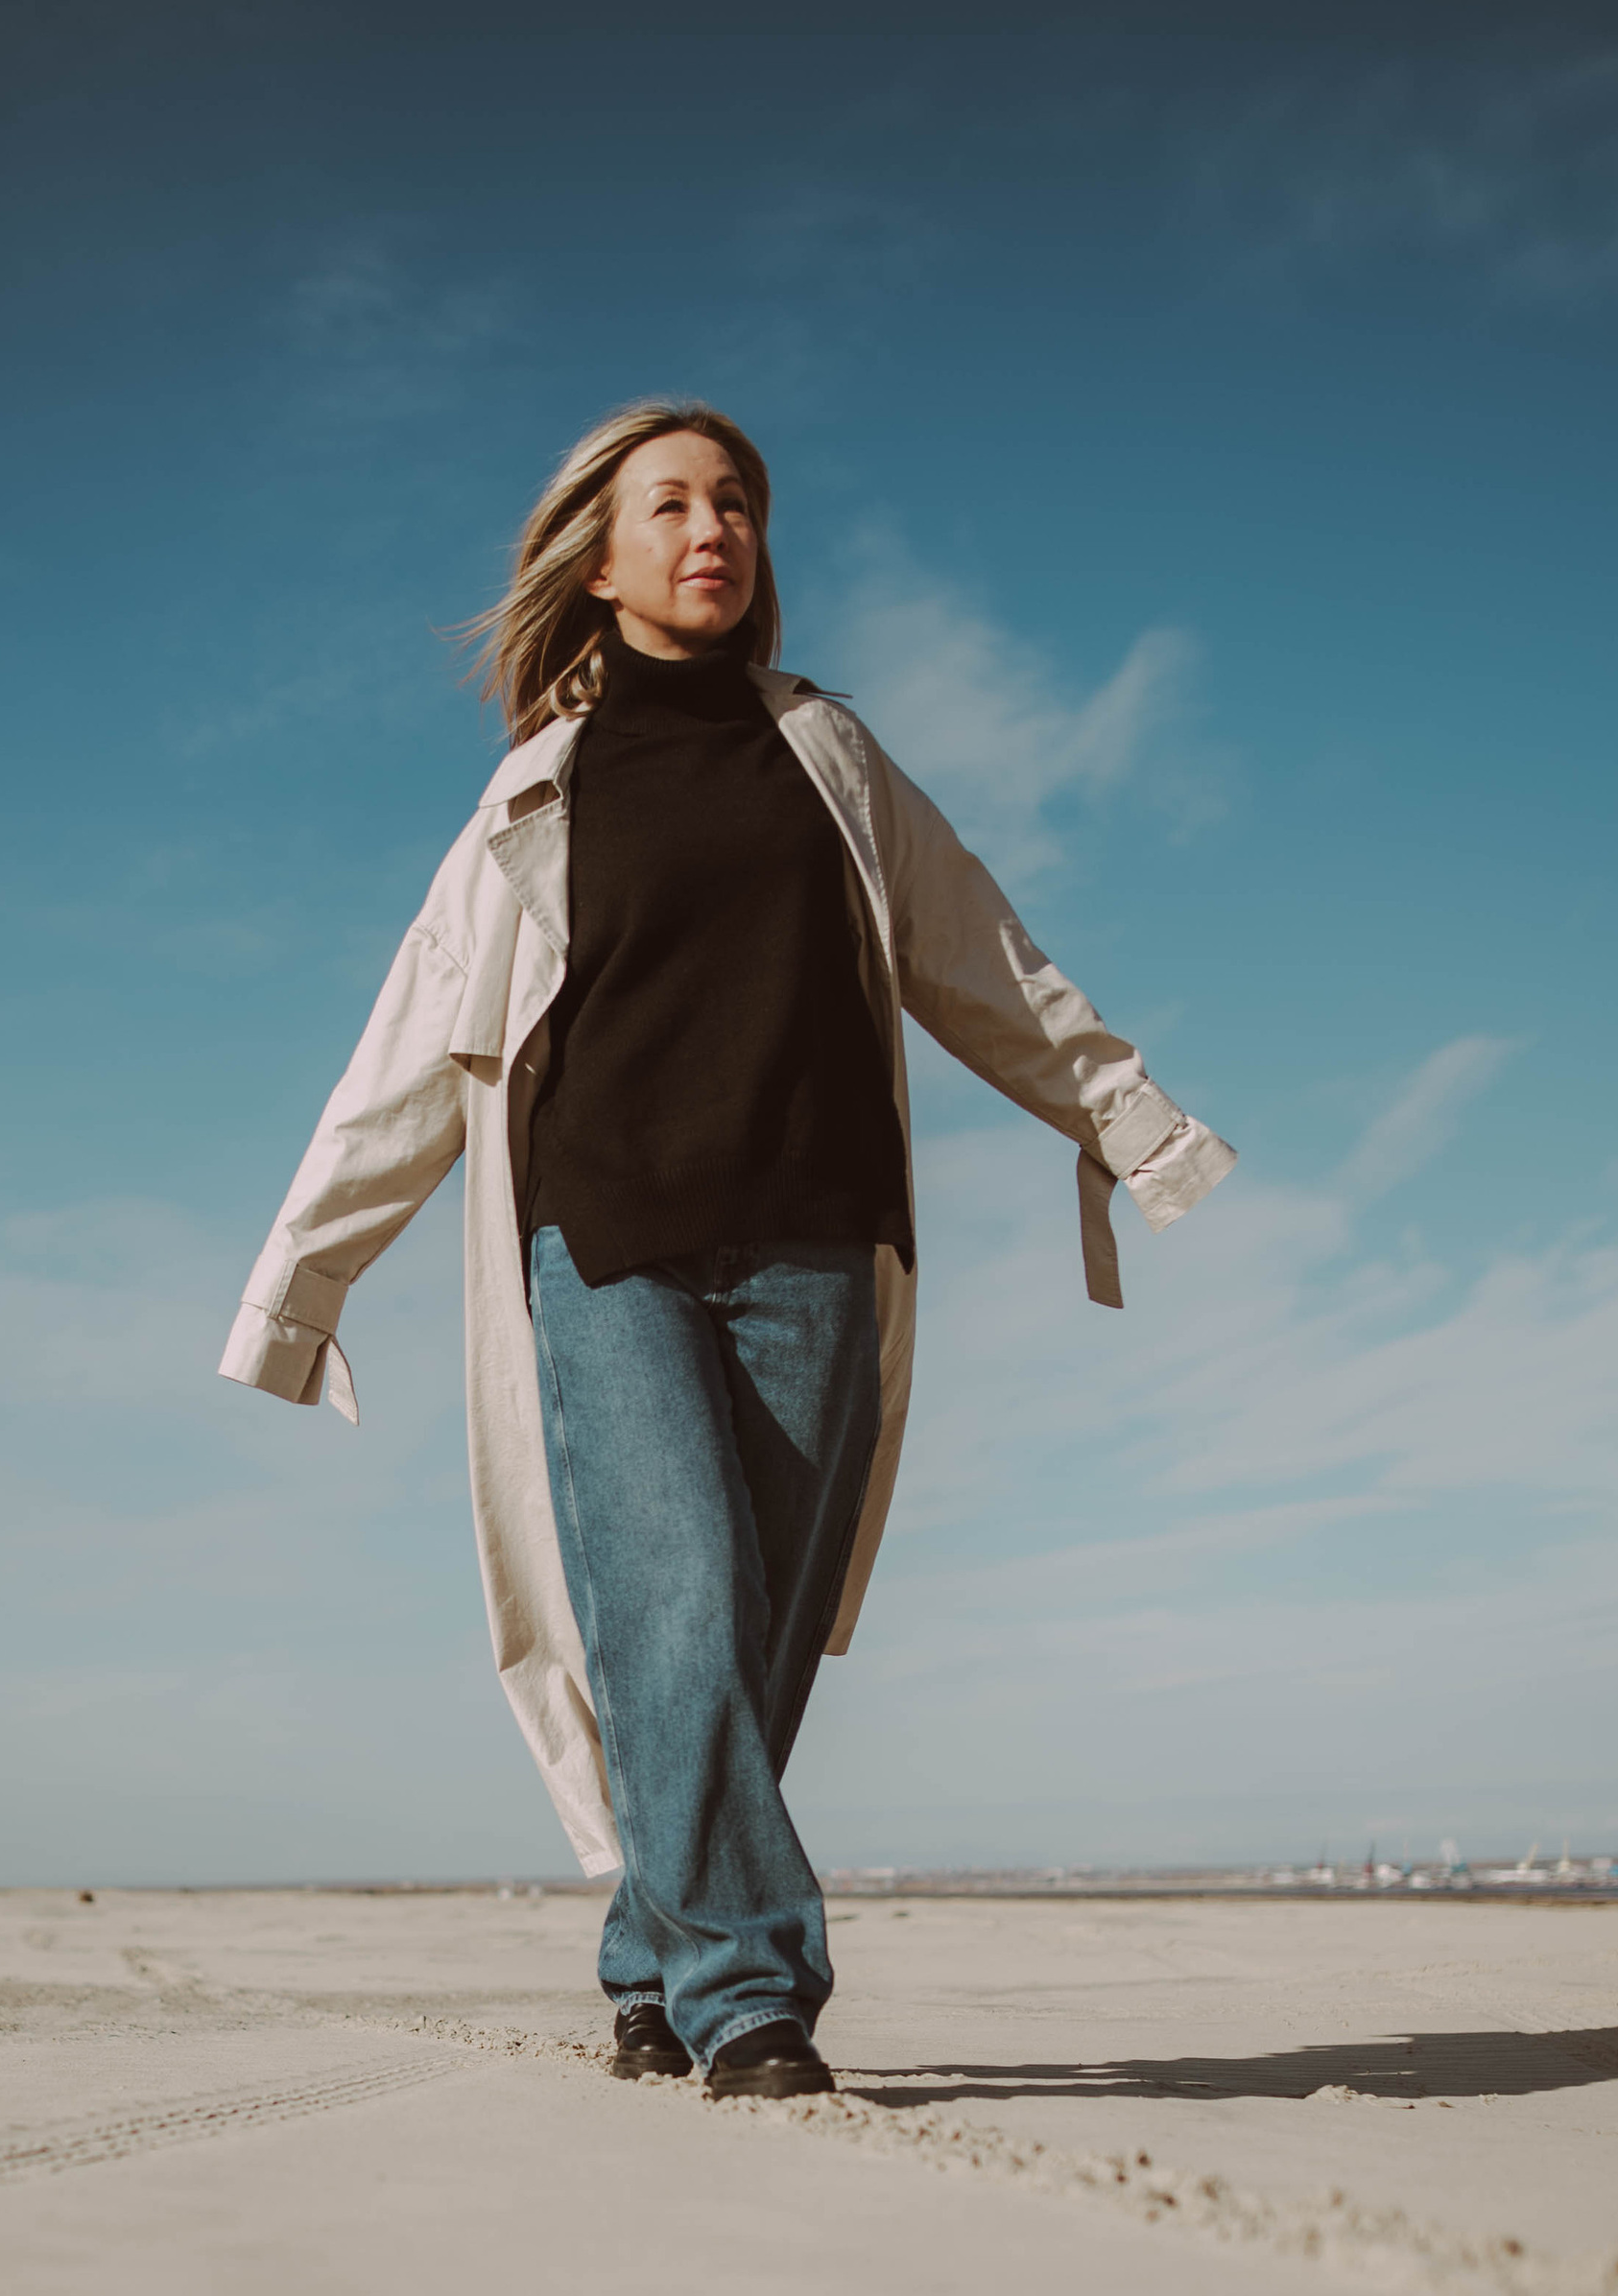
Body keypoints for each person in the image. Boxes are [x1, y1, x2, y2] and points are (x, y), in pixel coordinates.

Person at [219, 399, 1234, 2099]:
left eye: (740, 504)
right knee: (671, 1599)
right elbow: (399, 1058)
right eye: (673, 503)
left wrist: (1124, 1116)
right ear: (597, 557)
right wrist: (298, 1286)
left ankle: (649, 1959)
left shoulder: (828, 750)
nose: (716, 528)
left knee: (748, 1646)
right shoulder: (533, 795)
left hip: (821, 1246)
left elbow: (985, 952)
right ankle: (754, 1991)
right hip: (605, 1243)